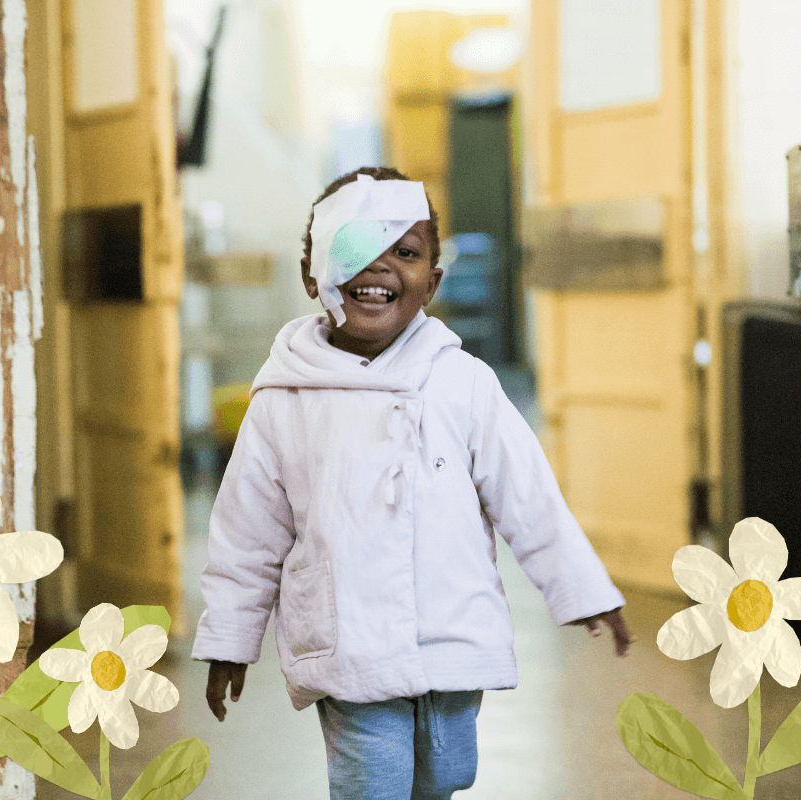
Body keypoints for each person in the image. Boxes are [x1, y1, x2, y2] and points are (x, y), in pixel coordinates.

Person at [191, 166, 632, 800]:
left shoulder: (463, 383)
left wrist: (580, 587)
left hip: (450, 631)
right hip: (348, 641)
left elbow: (529, 498)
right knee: (375, 782)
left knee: (444, 776)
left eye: (404, 251)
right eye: (353, 244)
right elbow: (247, 533)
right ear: (311, 273)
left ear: (432, 281)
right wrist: (231, 637)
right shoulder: (283, 399)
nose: (378, 266)